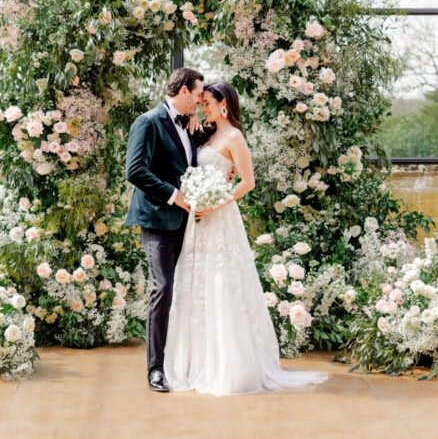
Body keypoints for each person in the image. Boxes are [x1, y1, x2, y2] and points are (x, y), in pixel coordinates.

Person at [163, 82, 328, 395]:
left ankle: (230, 367)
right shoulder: (206, 134)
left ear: (224, 103)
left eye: (208, 103)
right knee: (196, 285)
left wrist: (216, 201)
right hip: (198, 221)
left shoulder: (234, 136)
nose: (203, 108)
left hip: (220, 217)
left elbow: (247, 182)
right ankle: (193, 362)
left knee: (221, 284)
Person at [124, 67, 204, 392]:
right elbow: (135, 170)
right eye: (198, 94)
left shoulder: (191, 127)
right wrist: (175, 196)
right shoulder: (147, 122)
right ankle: (155, 369)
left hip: (189, 223)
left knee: (187, 289)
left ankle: (185, 360)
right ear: (183, 90)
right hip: (157, 219)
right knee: (164, 287)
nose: (201, 100)